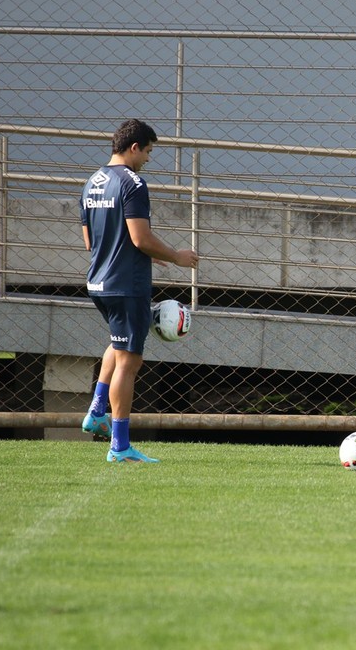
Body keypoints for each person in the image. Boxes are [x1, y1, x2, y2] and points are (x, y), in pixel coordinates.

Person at [79, 119, 199, 462]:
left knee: (117, 346)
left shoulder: (92, 182)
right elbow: (140, 238)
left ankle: (97, 410)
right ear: (134, 147)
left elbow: (92, 240)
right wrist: (177, 256)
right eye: (148, 151)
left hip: (98, 280)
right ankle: (119, 446)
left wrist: (141, 254)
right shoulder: (132, 183)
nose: (147, 158)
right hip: (126, 284)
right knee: (130, 362)